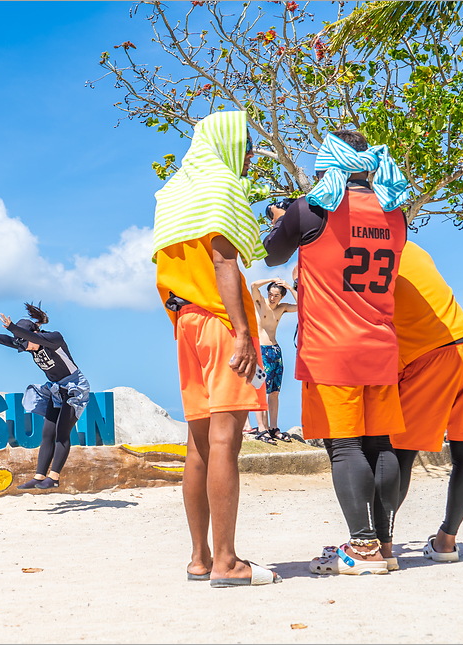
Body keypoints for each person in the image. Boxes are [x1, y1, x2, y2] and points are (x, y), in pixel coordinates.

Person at [263, 130, 410, 575]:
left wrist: (283, 216)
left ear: (331, 163)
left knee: (344, 448)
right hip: (380, 345)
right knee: (380, 445)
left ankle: (361, 550)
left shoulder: (310, 211)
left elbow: (271, 254)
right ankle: (384, 546)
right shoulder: (395, 212)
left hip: (332, 349)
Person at [153, 110, 279, 587]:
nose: (248, 156)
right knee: (227, 441)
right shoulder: (220, 185)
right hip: (221, 323)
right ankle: (228, 563)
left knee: (199, 445)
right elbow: (226, 261)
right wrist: (244, 332)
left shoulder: (174, 193)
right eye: (245, 146)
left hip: (185, 322)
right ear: (226, 143)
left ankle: (200, 558)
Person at [385, 241, 463, 563]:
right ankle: (446, 542)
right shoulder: (413, 247)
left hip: (430, 355)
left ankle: (380, 547)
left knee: (400, 451)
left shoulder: (369, 252)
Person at [0, 303, 90, 491]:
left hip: (75, 388)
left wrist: (13, 327)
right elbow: (9, 342)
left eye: (26, 342)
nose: (27, 348)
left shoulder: (54, 339)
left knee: (62, 432)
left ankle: (54, 477)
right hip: (57, 390)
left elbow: (32, 337)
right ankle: (39, 476)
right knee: (47, 433)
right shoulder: (29, 345)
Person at [245, 277, 297, 444]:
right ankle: (262, 429)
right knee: (259, 389)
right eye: (270, 294)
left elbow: (305, 306)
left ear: (281, 297)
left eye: (276, 295)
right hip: (261, 350)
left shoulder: (282, 308)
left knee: (274, 392)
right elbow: (253, 285)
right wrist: (272, 279)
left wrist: (289, 287)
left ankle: (273, 428)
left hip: (275, 351)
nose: (272, 298)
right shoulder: (261, 303)